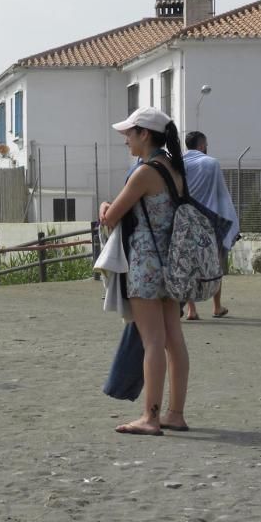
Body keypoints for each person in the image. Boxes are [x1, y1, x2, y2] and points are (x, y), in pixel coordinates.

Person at [98, 107, 190, 436]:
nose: (126, 140)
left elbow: (111, 217)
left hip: (146, 263)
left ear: (145, 135)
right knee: (173, 339)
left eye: (130, 134)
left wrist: (103, 208)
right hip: (173, 263)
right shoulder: (175, 170)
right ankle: (174, 413)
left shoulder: (144, 173)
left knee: (152, 340)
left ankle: (150, 416)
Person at [182, 131, 239, 321]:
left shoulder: (179, 163)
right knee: (215, 261)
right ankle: (217, 306)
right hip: (210, 219)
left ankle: (191, 310)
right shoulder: (211, 163)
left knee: (188, 263)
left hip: (187, 218)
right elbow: (221, 193)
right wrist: (229, 217)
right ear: (202, 145)